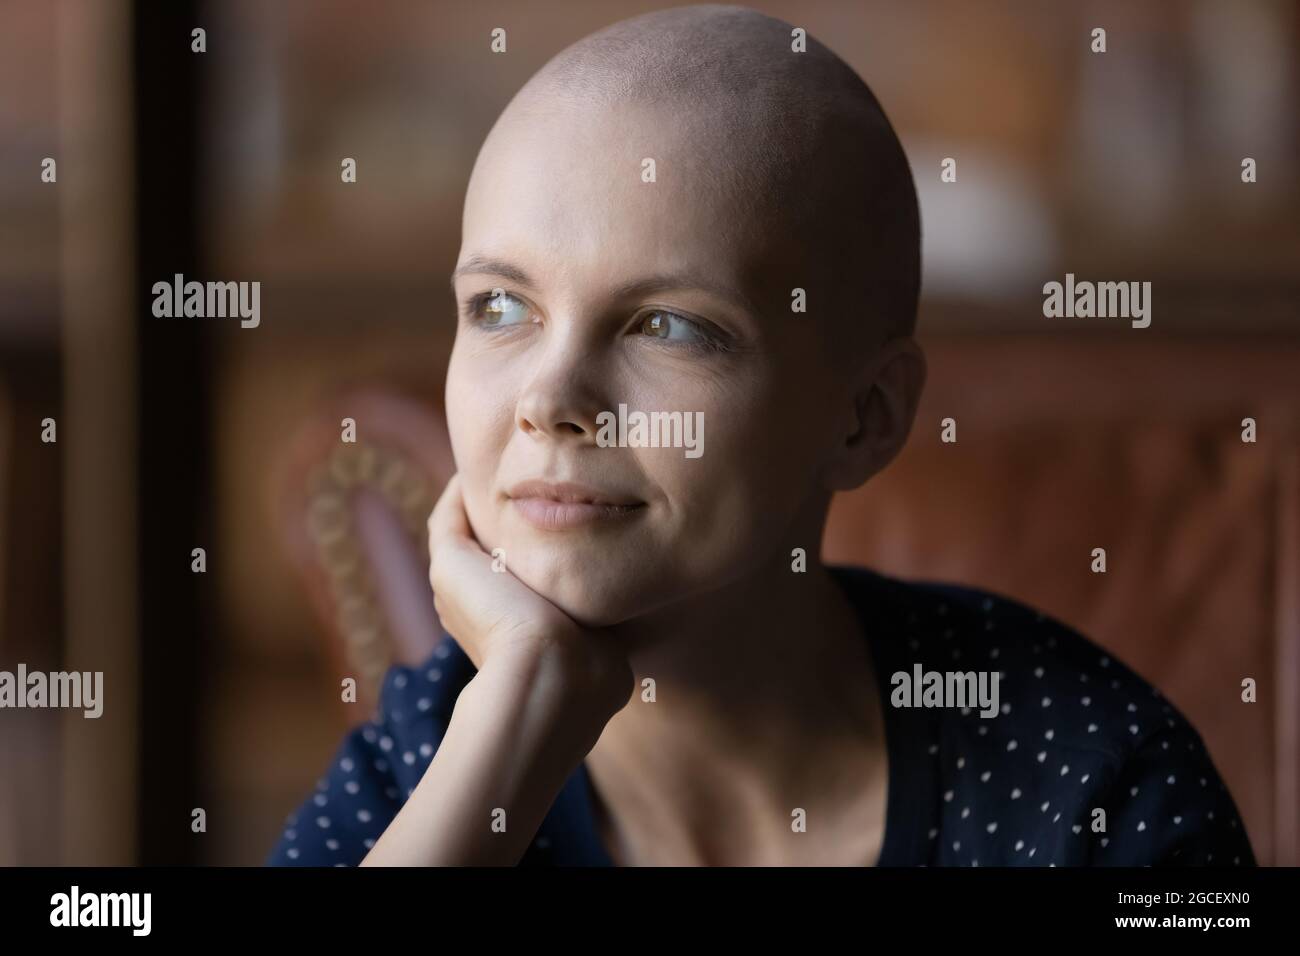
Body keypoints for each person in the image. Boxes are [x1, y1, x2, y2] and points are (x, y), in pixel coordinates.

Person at [267, 4, 1255, 867]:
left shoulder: (1090, 785)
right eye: (497, 306)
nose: (549, 396)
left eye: (669, 325)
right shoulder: (439, 745)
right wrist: (514, 724)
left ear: (864, 417)